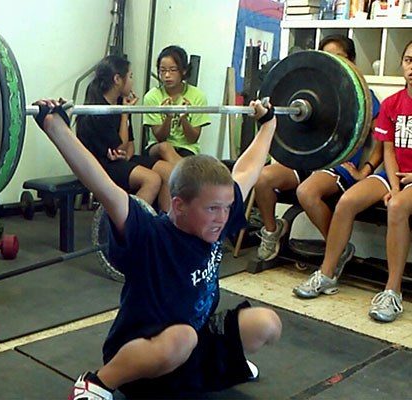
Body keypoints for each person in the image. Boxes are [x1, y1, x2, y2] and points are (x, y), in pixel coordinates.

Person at [31, 97, 281, 399]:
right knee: (182, 337)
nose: (223, 218)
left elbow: (248, 170)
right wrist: (54, 125)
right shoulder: (151, 234)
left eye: (227, 208)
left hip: (191, 342)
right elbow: (102, 184)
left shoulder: (215, 218)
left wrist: (268, 124)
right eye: (214, 209)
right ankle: (98, 382)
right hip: (144, 347)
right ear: (179, 205)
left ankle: (220, 365)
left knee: (266, 324)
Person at [293, 40, 412, 323]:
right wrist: (393, 186)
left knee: (397, 208)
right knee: (347, 201)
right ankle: (327, 273)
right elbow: (388, 150)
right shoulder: (394, 103)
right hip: (393, 174)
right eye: (408, 60)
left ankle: (392, 292)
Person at [254, 34, 382, 262]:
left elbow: (384, 138)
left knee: (307, 192)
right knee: (262, 178)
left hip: (337, 164)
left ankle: (338, 250)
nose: (334, 64)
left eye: (340, 58)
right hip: (306, 161)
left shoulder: (365, 97)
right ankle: (273, 231)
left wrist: (366, 170)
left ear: (352, 61)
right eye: (327, 58)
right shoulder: (309, 90)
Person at [77, 55, 173, 211]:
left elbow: (128, 148)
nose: (132, 81)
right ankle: (128, 225)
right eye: (130, 76)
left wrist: (124, 153)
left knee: (168, 171)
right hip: (99, 166)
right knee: (152, 179)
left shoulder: (122, 103)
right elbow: (120, 147)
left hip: (119, 161)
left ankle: (163, 226)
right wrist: (125, 114)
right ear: (117, 79)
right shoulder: (99, 109)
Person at [143, 45, 211, 165]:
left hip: (187, 149)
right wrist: (168, 117)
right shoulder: (152, 96)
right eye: (163, 70)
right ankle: (186, 174)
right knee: (165, 147)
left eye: (173, 70)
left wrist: (184, 118)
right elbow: (160, 137)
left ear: (183, 70)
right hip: (157, 147)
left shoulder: (197, 96)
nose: (167, 75)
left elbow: (193, 139)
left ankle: (183, 174)